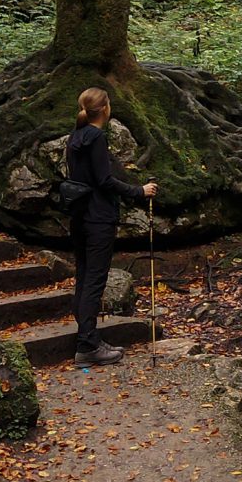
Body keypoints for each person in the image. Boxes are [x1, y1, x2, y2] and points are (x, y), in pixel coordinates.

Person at [64, 86, 158, 366]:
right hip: (98, 218)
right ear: (105, 109)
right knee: (94, 279)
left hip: (79, 216)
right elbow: (104, 181)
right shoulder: (95, 137)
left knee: (84, 276)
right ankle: (87, 345)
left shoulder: (75, 136)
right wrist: (139, 191)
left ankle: (90, 338)